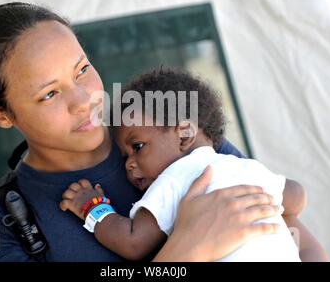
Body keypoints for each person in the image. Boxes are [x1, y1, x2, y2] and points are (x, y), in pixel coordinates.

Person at [0, 2, 321, 262]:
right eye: (49, 93)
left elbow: (296, 239)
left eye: (82, 70)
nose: (84, 100)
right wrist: (188, 249)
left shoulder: (165, 133)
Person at [60, 69, 314, 261]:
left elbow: (133, 242)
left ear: (183, 135)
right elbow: (297, 195)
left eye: (137, 147)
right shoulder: (245, 168)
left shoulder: (175, 178)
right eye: (126, 156)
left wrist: (92, 207)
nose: (129, 165)